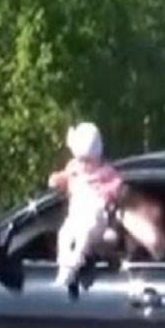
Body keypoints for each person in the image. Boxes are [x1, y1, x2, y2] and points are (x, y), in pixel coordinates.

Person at [48, 122, 122, 286]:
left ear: (98, 157)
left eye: (89, 161)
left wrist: (103, 194)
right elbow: (63, 177)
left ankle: (77, 259)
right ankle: (64, 265)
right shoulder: (74, 169)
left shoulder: (105, 172)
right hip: (76, 215)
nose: (84, 165)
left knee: (84, 234)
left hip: (96, 215)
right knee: (64, 234)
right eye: (81, 160)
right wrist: (56, 180)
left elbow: (116, 185)